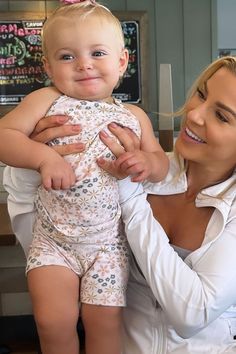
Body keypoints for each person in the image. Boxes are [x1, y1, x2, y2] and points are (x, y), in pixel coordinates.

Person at [4, 55, 236, 353]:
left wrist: (127, 191)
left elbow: (193, 314)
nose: (194, 115)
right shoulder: (147, 168)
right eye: (201, 94)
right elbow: (47, 245)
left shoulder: (130, 177)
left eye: (222, 116)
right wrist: (34, 159)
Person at [0, 1, 169, 354]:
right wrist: (43, 156)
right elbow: (4, 135)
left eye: (97, 52)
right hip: (53, 242)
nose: (84, 64)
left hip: (108, 244)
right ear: (47, 66)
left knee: (105, 327)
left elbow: (159, 162)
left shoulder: (134, 115)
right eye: (66, 57)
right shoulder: (45, 100)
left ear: (122, 61)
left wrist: (145, 163)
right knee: (52, 323)